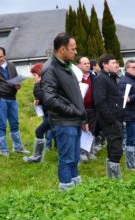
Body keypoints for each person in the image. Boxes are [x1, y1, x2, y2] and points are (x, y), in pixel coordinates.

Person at [41, 32, 88, 191]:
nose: (75, 52)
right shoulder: (50, 69)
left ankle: (76, 190)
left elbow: (74, 94)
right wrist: (74, 111)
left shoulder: (67, 66)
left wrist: (82, 118)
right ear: (62, 49)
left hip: (73, 120)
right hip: (64, 122)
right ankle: (67, 194)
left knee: (74, 158)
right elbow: (49, 99)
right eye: (72, 49)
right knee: (67, 160)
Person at [0, 46, 29, 156]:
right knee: (2, 124)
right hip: (0, 99)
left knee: (15, 122)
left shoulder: (11, 65)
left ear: (5, 55)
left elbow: (15, 79)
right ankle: (3, 149)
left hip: (12, 97)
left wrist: (17, 85)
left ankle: (18, 147)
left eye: (1, 56)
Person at [93, 54, 124, 179]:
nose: (116, 65)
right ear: (104, 64)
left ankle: (113, 177)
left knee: (115, 147)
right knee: (115, 148)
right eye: (113, 62)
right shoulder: (101, 78)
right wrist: (111, 119)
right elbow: (100, 101)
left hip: (116, 118)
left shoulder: (111, 78)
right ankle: (114, 179)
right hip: (110, 120)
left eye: (116, 62)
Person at [23, 63, 52, 163]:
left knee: (39, 131)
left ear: (40, 73)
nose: (33, 77)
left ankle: (37, 157)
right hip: (51, 114)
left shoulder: (41, 84)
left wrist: (37, 84)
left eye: (34, 75)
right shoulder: (48, 83)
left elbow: (43, 96)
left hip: (53, 115)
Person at [76, 56, 98, 161]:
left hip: (92, 108)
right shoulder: (75, 78)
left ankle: (90, 151)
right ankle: (82, 152)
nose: (87, 65)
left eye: (88, 63)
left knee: (91, 130)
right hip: (80, 108)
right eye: (84, 63)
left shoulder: (94, 77)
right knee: (82, 129)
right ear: (78, 65)